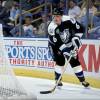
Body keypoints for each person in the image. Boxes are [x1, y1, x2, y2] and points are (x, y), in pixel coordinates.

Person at [48, 8, 90, 87]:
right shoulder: (51, 28)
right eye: (53, 16)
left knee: (74, 61)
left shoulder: (69, 20)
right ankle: (58, 79)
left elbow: (81, 29)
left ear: (61, 16)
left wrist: (76, 38)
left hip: (68, 43)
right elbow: (58, 44)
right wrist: (66, 51)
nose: (55, 18)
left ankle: (82, 80)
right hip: (55, 46)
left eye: (57, 16)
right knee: (60, 62)